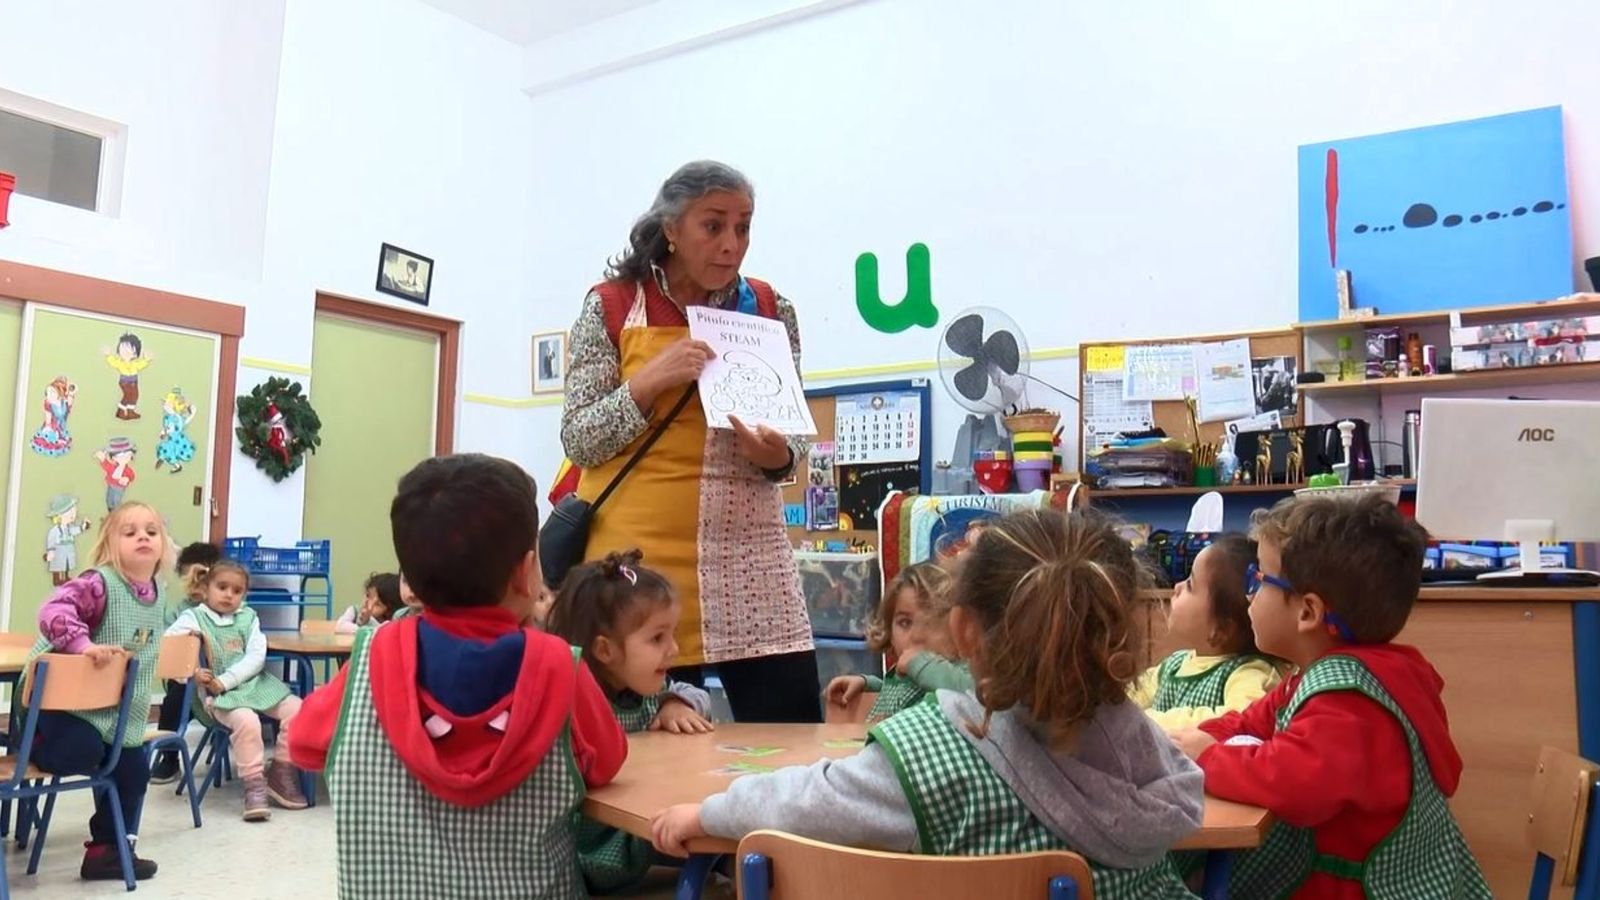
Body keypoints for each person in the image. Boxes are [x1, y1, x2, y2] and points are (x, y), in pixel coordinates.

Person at [651, 509, 1204, 897]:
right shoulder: (1146, 748)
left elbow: (799, 802)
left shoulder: (927, 752)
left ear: (962, 630)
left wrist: (703, 812)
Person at [287, 454, 627, 898]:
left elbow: (303, 744)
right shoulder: (561, 665)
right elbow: (607, 762)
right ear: (525, 573)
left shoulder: (371, 659)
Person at [561, 160, 817, 723]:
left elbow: (793, 441)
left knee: (790, 733)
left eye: (743, 227)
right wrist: (650, 380)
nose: (732, 244)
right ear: (671, 229)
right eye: (713, 225)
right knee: (644, 740)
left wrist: (776, 456)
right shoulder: (610, 304)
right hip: (639, 562)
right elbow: (578, 438)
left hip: (752, 559)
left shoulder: (771, 309)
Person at [1172, 494, 1489, 898]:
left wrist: (1208, 756)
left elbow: (1289, 781)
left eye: (1259, 578)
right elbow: (1251, 722)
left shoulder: (1349, 701)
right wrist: (1186, 741)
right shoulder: (1327, 673)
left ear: (1308, 612)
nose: (1249, 592)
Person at [545, 549, 714, 894]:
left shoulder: (651, 689)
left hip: (643, 837)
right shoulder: (575, 699)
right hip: (590, 856)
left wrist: (675, 702)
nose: (674, 650)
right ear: (605, 651)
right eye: (657, 638)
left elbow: (701, 698)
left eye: (671, 634)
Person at [24, 502, 174, 881]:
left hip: (114, 711)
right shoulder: (98, 583)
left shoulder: (159, 593)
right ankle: (30, 740)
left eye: (151, 531)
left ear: (163, 545)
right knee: (83, 751)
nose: (143, 536)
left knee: (134, 769)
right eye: (130, 532)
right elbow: (52, 610)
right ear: (110, 545)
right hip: (59, 706)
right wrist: (83, 645)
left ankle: (106, 852)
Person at [165, 558, 307, 820]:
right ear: (206, 588)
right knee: (247, 721)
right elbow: (165, 651)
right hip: (220, 697)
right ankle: (253, 785)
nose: (229, 595)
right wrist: (191, 674)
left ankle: (281, 770)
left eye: (237, 591)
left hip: (254, 684)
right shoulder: (193, 617)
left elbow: (256, 657)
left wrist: (227, 679)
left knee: (300, 710)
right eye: (222, 587)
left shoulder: (248, 617)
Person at [1129, 535, 1280, 732]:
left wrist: (1151, 720)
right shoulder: (1174, 665)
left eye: (1190, 585)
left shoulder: (1249, 673)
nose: (1177, 587)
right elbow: (1133, 696)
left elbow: (1242, 719)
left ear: (1221, 630)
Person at [823, 562, 968, 722]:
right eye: (904, 623)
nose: (917, 636)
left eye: (932, 622)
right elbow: (903, 694)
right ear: (889, 631)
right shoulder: (904, 672)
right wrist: (870, 686)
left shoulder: (960, 674)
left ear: (959, 627)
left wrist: (922, 665)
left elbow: (971, 695)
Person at [149, 540, 222, 784]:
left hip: (222, 682)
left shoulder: (229, 609)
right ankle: (169, 758)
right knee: (174, 699)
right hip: (188, 684)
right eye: (190, 578)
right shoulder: (179, 611)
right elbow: (165, 646)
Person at [335, 572, 404, 634]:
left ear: (388, 610)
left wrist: (369, 621)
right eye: (368, 596)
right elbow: (340, 626)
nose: (370, 605)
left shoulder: (392, 620)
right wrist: (362, 629)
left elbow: (383, 632)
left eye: (378, 604)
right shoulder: (354, 610)